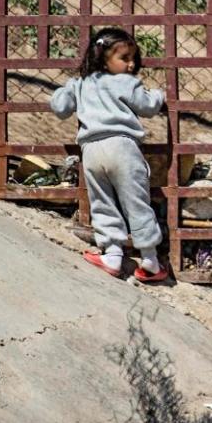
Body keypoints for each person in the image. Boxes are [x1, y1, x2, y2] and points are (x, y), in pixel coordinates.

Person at [50, 27, 167, 282]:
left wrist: (70, 88)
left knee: (102, 201)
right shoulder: (127, 82)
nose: (131, 64)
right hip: (122, 147)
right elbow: (147, 107)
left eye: (132, 58)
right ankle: (150, 260)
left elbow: (59, 107)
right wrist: (158, 95)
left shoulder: (81, 84)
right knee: (136, 201)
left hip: (91, 151)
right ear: (104, 57)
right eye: (124, 58)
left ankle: (111, 256)